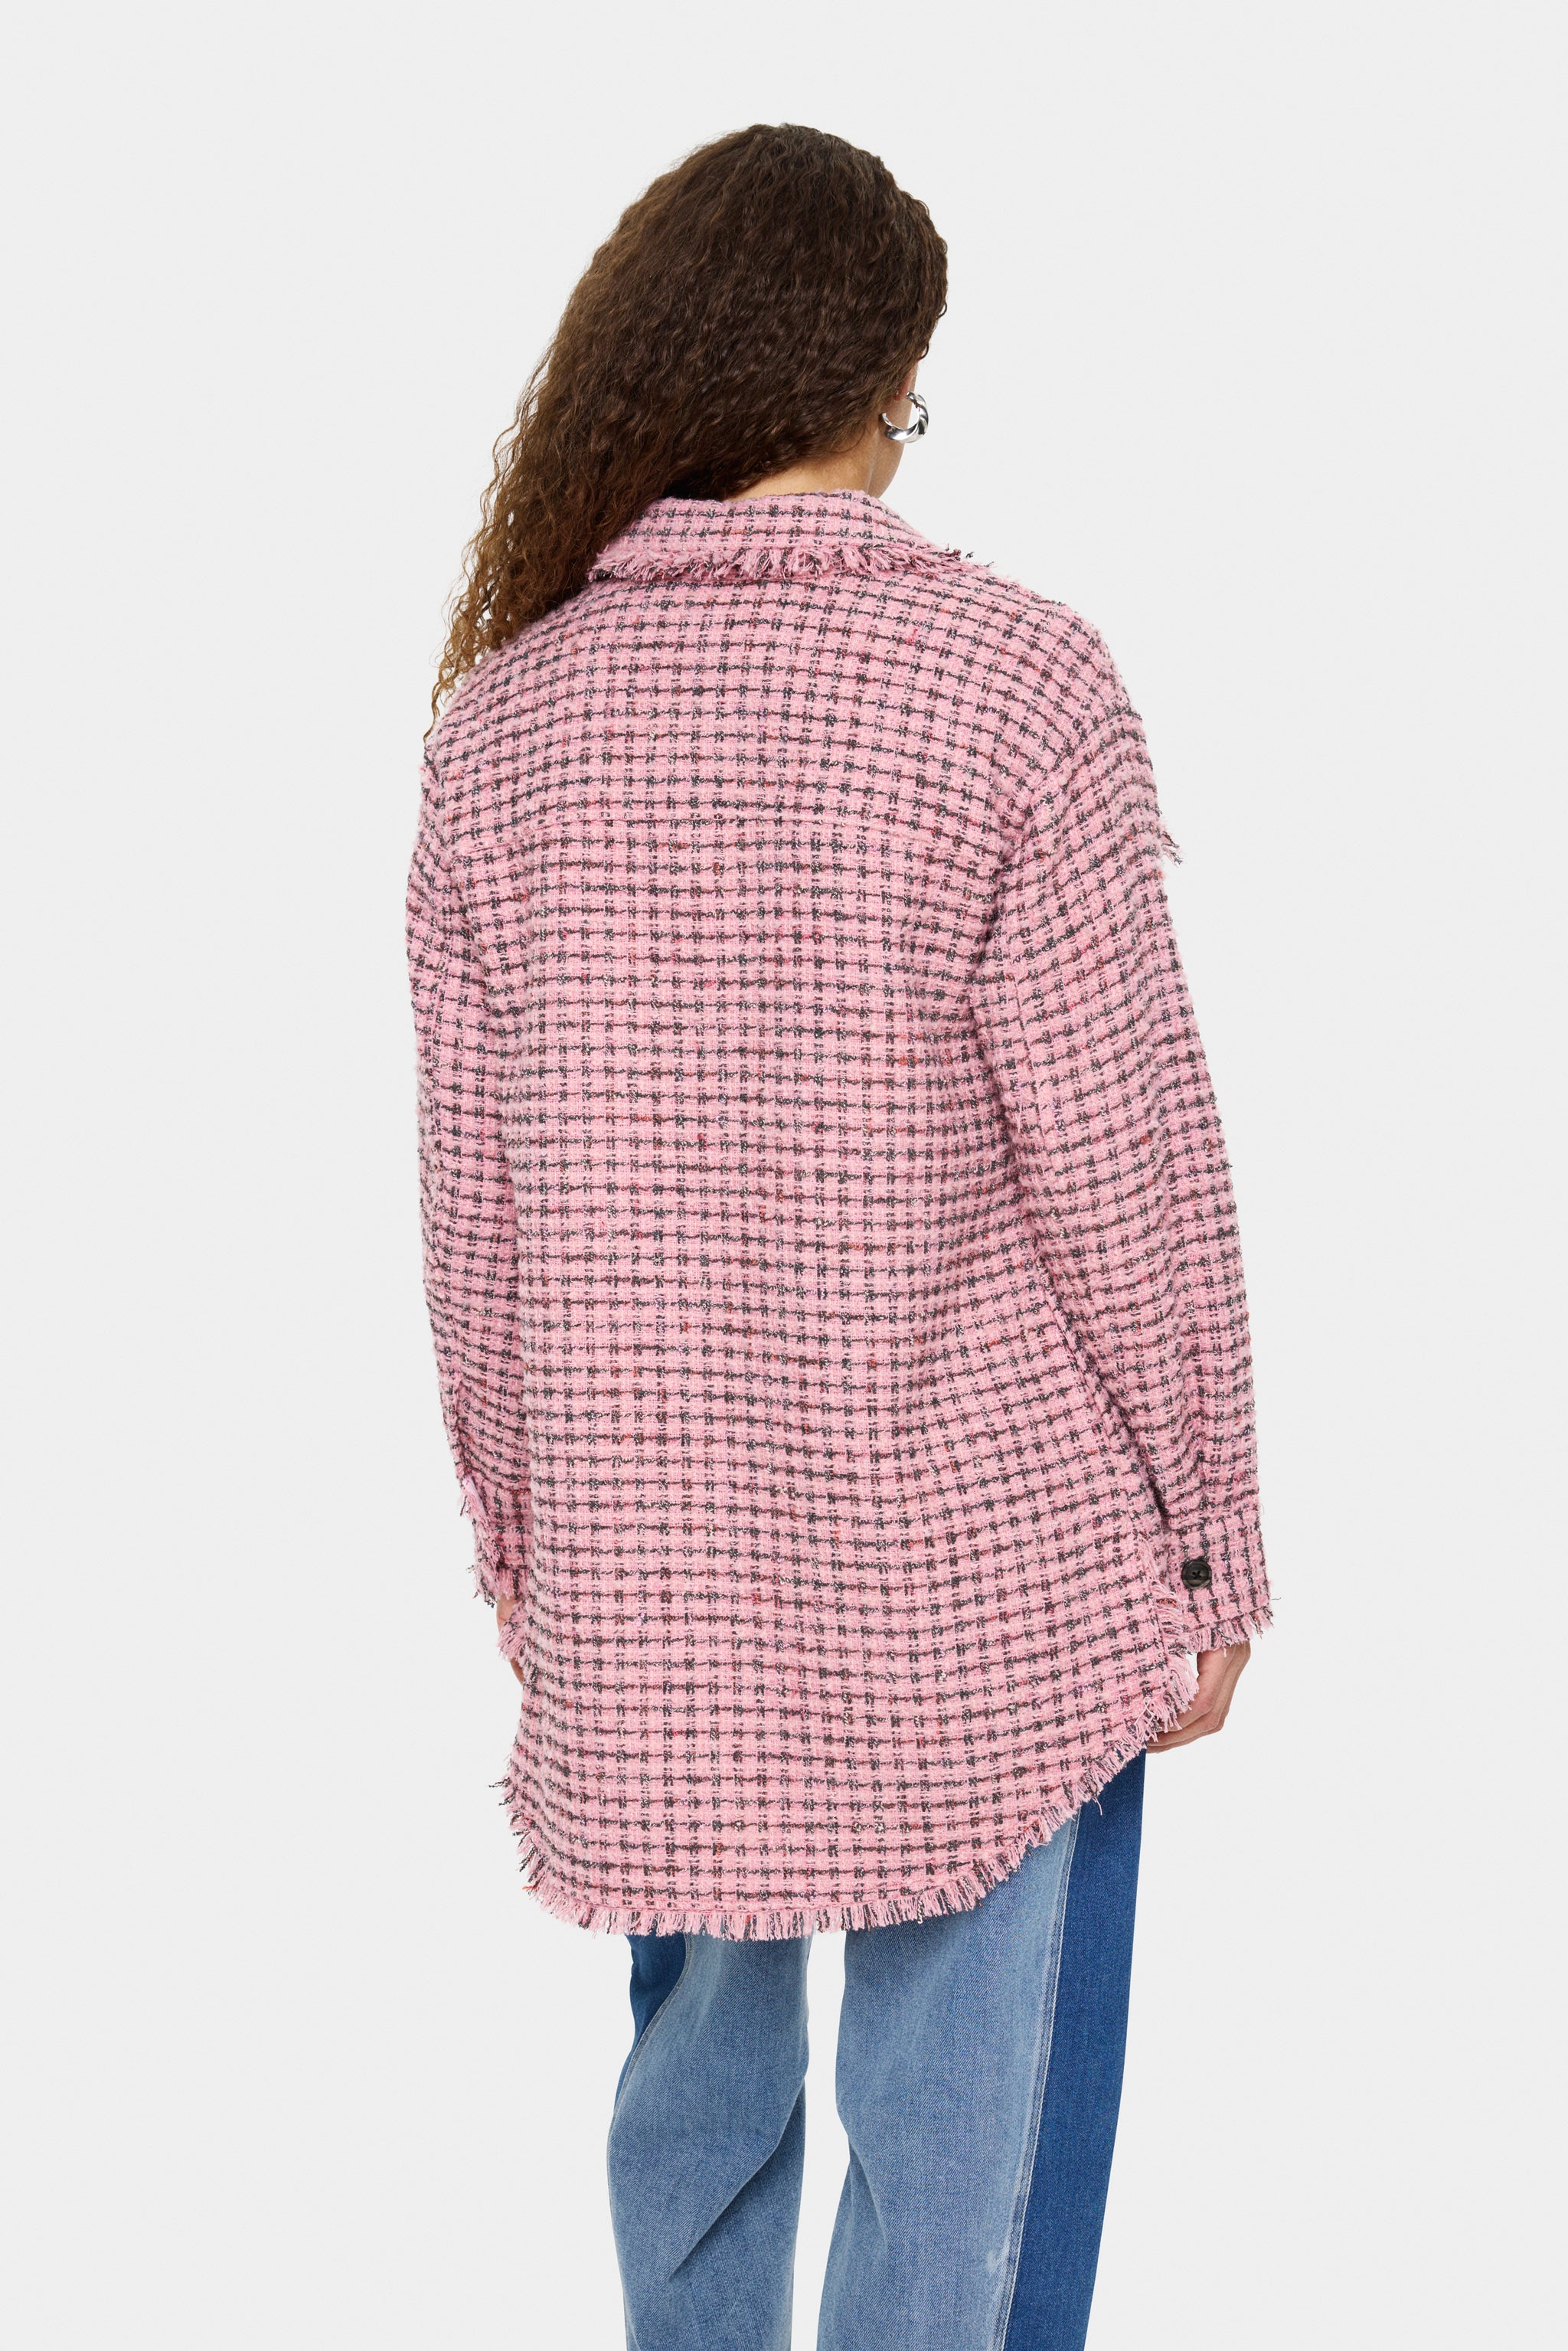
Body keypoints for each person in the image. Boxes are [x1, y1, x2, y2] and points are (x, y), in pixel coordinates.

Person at [407, 121, 1270, 2351]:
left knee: (692, 2107)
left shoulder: (504, 730)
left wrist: (533, 1548)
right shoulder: (1013, 683)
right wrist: (1210, 1551)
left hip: (661, 1570)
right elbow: (1131, 1166)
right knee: (967, 2172)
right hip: (993, 1578)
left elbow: (474, 1222)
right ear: (875, 377)